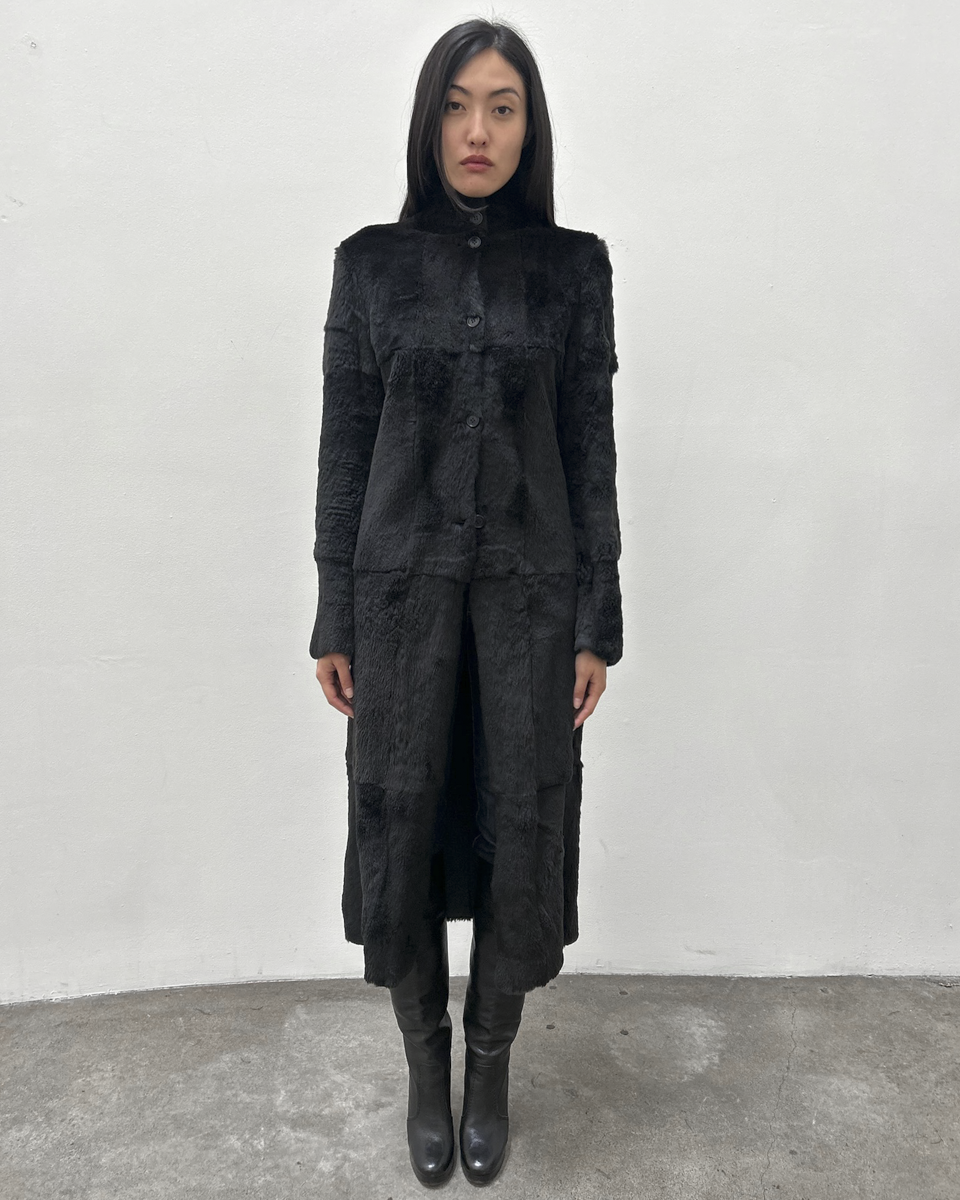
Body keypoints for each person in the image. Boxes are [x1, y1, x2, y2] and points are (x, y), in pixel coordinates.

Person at [310, 18, 623, 1187]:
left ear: (530, 125)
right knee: (400, 821)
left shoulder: (574, 269)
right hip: (398, 601)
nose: (476, 130)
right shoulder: (370, 267)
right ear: (426, 121)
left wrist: (597, 620)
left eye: (501, 105)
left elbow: (589, 450)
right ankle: (424, 1063)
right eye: (455, 104)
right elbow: (345, 452)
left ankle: (488, 1064)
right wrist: (335, 612)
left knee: (519, 823)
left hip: (532, 606)